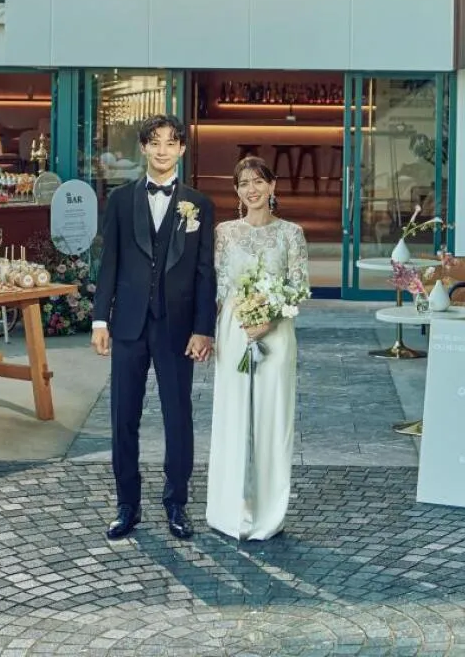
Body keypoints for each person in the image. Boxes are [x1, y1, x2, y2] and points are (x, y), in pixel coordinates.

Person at [91, 114, 216, 541]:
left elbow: (205, 272)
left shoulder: (199, 205)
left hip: (177, 329)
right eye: (155, 142)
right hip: (128, 324)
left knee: (177, 416)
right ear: (143, 147)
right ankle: (127, 505)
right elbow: (109, 263)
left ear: (182, 149)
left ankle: (176, 503)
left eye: (171, 143)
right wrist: (100, 319)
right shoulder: (121, 200)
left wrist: (203, 328)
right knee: (123, 417)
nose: (163, 150)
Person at [205, 156, 309, 541]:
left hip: (277, 332)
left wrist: (270, 317)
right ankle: (228, 511)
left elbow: (300, 285)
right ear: (236, 191)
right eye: (244, 183)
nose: (252, 189)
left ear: (272, 185)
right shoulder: (224, 233)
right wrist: (206, 332)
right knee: (232, 416)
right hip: (234, 331)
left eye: (259, 181)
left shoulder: (292, 233)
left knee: (273, 418)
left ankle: (268, 514)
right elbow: (217, 287)